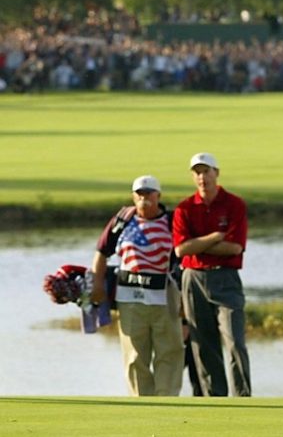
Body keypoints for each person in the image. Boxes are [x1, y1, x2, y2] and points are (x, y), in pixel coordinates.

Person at [91, 175, 185, 396]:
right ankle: (142, 402)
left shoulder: (172, 221)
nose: (145, 199)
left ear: (158, 196)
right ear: (133, 197)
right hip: (130, 297)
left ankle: (167, 401)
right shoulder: (122, 220)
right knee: (134, 357)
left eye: (149, 194)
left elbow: (184, 258)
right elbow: (102, 252)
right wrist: (97, 284)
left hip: (164, 296)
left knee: (169, 353)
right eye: (139, 195)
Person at [172, 152, 251, 397]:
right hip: (193, 278)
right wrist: (216, 237)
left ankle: (242, 397)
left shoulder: (234, 204)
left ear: (217, 173)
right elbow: (181, 250)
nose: (202, 177)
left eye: (206, 171)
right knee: (203, 344)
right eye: (197, 172)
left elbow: (235, 247)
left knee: (234, 340)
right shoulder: (185, 208)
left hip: (226, 277)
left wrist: (198, 244)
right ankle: (214, 399)